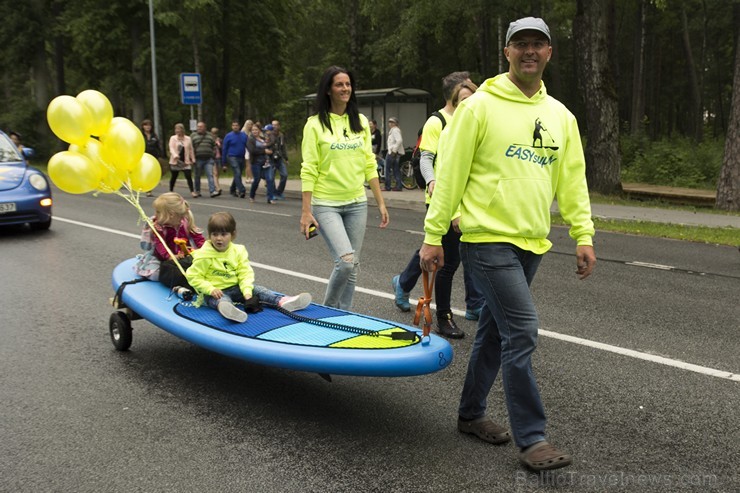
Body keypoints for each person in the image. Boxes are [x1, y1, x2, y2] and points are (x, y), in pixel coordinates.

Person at [419, 17, 596, 471]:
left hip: (532, 241)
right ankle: (533, 439)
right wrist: (433, 235)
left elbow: (571, 180)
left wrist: (583, 233)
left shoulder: (561, 116)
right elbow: (451, 173)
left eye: (538, 44)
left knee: (496, 333)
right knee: (522, 331)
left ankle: (471, 414)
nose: (530, 51)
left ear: (550, 53)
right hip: (486, 239)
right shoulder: (479, 107)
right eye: (521, 45)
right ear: (507, 52)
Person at [392, 72, 484, 339]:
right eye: (464, 95)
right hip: (442, 200)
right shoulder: (438, 121)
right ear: (453, 96)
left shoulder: (474, 120)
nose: (469, 100)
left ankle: (474, 303)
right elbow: (426, 158)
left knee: (463, 254)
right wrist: (432, 182)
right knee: (444, 258)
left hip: (467, 202)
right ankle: (442, 314)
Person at [300, 65, 390, 309]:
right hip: (326, 203)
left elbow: (369, 164)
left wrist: (380, 202)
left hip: (356, 202)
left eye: (348, 84)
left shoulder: (359, 121)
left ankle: (345, 315)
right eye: (339, 84)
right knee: (346, 261)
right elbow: (308, 168)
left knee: (354, 265)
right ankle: (327, 313)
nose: (345, 88)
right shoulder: (315, 125)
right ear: (328, 89)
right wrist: (306, 211)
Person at [185, 212, 312, 323]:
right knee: (221, 300)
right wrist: (210, 289)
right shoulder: (204, 255)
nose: (219, 238)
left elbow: (244, 272)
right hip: (216, 292)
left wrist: (247, 292)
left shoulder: (238, 251)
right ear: (210, 235)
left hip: (236, 287)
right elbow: (193, 276)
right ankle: (229, 310)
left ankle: (282, 301)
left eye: (223, 234)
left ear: (232, 235)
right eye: (215, 234)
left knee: (259, 290)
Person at [150, 192, 206, 295]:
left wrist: (206, 249)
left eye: (158, 212)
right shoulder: (159, 227)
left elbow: (198, 237)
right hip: (166, 259)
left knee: (198, 267)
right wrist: (169, 256)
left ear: (171, 214)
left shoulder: (186, 222)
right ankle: (184, 286)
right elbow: (160, 245)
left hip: (184, 256)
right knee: (157, 274)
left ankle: (188, 283)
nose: (155, 215)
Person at [247, 124, 276, 203]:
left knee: (270, 179)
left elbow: (271, 145)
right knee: (257, 180)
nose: (255, 131)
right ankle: (252, 195)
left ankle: (270, 198)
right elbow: (252, 150)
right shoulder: (250, 139)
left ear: (259, 130)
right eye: (253, 130)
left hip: (266, 162)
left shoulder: (263, 138)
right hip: (256, 163)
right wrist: (264, 151)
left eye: (256, 130)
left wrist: (270, 151)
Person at [190, 121, 219, 198]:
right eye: (198, 127)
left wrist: (213, 154)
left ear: (205, 128)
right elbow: (190, 147)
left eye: (201, 127)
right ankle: (197, 190)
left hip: (208, 159)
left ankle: (212, 191)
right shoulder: (193, 136)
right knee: (197, 175)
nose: (199, 128)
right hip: (198, 158)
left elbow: (214, 146)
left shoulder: (210, 136)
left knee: (210, 174)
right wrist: (192, 158)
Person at [221, 120, 248, 198]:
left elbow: (248, 146)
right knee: (237, 172)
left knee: (237, 174)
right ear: (232, 126)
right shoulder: (228, 136)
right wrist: (224, 163)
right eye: (233, 125)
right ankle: (241, 190)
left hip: (241, 157)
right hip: (232, 156)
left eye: (236, 125)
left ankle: (232, 189)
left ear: (239, 126)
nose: (235, 127)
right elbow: (224, 149)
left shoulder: (244, 135)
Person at [168, 123, 196, 195]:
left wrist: (193, 159)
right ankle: (171, 190)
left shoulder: (188, 138)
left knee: (188, 176)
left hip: (185, 161)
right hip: (176, 161)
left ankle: (192, 191)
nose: (178, 131)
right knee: (174, 176)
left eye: (179, 129)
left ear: (182, 130)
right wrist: (175, 155)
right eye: (176, 129)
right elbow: (171, 148)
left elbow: (190, 149)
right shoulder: (173, 138)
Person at [141, 119, 163, 197]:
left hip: (153, 157)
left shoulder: (154, 135)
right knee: (145, 172)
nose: (148, 127)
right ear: (143, 126)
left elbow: (158, 146)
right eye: (146, 125)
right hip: (143, 157)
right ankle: (146, 188)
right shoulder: (141, 135)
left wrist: (160, 155)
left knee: (150, 173)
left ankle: (149, 188)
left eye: (149, 125)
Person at [270, 119, 290, 200]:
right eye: (273, 125)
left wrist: (286, 158)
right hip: (271, 158)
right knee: (271, 176)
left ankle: (279, 191)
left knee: (284, 175)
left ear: (279, 126)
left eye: (275, 125)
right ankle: (273, 192)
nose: (274, 126)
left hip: (279, 158)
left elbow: (283, 147)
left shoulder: (281, 135)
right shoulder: (269, 135)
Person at [383, 117, 404, 191]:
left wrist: (394, 151)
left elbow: (399, 140)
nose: (390, 123)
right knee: (395, 169)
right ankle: (398, 186)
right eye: (389, 122)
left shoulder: (395, 130)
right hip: (395, 152)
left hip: (392, 152)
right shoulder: (394, 130)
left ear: (396, 123)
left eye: (392, 122)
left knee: (387, 169)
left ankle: (387, 186)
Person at [241, 119, 254, 185]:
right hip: (246, 149)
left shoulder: (252, 132)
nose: (250, 126)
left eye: (251, 124)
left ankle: (248, 177)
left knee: (249, 164)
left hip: (251, 148)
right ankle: (250, 177)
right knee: (248, 163)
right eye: (248, 124)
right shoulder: (243, 132)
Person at [210, 127, 223, 195]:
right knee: (215, 173)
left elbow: (222, 148)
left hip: (219, 157)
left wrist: (219, 145)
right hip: (212, 158)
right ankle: (218, 187)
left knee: (218, 173)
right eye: (213, 133)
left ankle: (216, 184)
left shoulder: (219, 140)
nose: (214, 135)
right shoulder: (209, 140)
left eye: (215, 133)